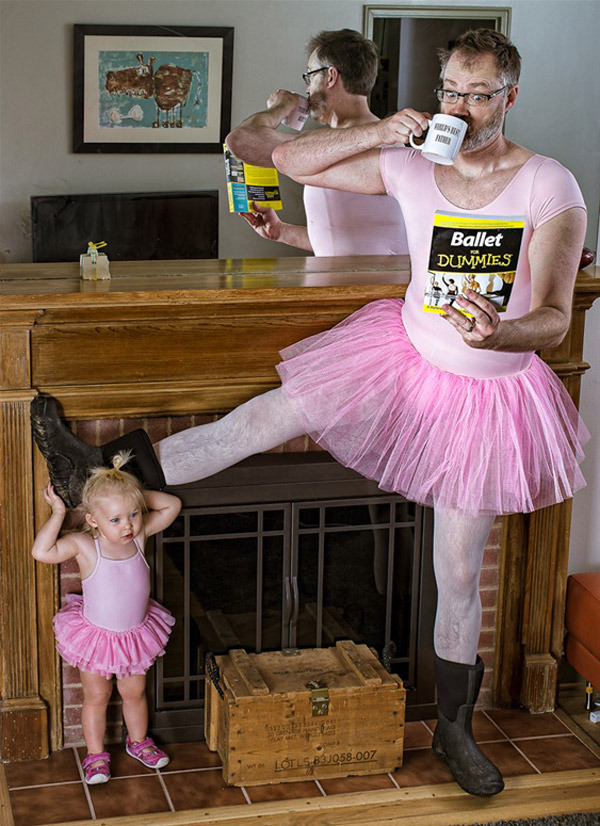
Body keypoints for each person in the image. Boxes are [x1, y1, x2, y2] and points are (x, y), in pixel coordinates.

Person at [31, 29, 588, 798]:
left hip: (487, 396)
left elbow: (556, 318)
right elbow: (281, 159)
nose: (462, 107)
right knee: (257, 423)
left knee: (457, 571)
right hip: (397, 356)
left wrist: (501, 329)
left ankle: (456, 730)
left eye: (479, 94)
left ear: (510, 97)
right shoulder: (411, 163)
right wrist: (382, 129)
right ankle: (91, 468)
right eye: (452, 91)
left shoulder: (548, 184)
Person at [31, 453, 181, 785]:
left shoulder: (139, 538)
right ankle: (95, 755)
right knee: (97, 697)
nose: (127, 525)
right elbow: (42, 552)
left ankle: (138, 741)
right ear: (93, 520)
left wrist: (134, 496)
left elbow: (171, 506)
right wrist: (58, 513)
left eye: (133, 515)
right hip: (96, 637)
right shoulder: (86, 546)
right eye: (115, 519)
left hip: (134, 635)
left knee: (134, 693)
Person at [226, 29, 409, 257]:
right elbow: (343, 240)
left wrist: (282, 106)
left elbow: (243, 140)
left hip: (372, 289)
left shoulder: (385, 149)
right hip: (342, 285)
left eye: (310, 76)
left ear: (330, 76)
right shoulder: (327, 147)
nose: (307, 89)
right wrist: (281, 231)